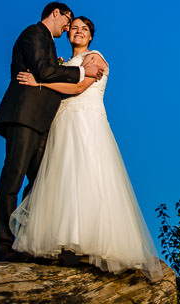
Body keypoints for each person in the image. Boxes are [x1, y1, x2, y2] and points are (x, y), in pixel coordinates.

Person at [11, 16, 164, 281]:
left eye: (84, 29)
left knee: (86, 175)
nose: (78, 32)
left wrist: (40, 83)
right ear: (68, 33)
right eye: (74, 29)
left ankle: (87, 240)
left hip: (84, 120)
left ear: (91, 36)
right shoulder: (64, 63)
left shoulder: (95, 57)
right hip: (62, 122)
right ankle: (64, 241)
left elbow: (79, 86)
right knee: (63, 179)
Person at [0, 2, 100, 262]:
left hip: (42, 122)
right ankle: (3, 245)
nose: (68, 27)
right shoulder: (34, 34)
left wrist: (46, 79)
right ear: (56, 13)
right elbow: (44, 69)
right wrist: (81, 71)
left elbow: (46, 75)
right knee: (13, 178)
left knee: (40, 185)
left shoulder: (49, 42)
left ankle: (28, 242)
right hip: (25, 117)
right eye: (68, 21)